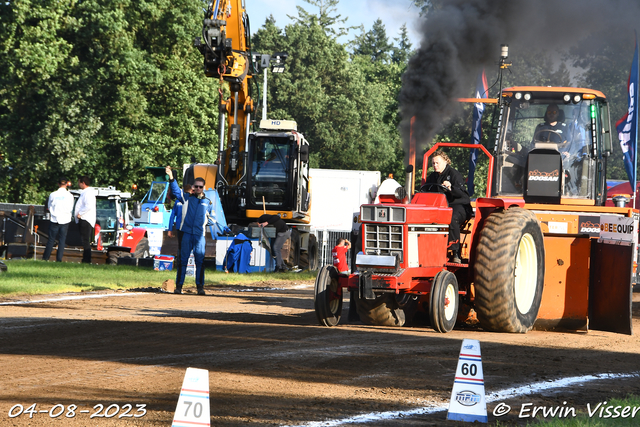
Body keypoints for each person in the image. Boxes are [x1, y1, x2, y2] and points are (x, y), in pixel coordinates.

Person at [166, 166, 214, 295]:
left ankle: (200, 287)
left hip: (199, 236)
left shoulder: (208, 202)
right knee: (183, 261)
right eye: (196, 186)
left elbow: (212, 218)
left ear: (203, 188)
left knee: (200, 262)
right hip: (186, 234)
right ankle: (179, 287)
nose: (198, 189)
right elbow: (176, 191)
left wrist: (205, 223)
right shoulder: (186, 198)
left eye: (200, 187)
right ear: (192, 187)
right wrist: (171, 177)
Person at [425, 150, 472, 264]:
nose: (435, 165)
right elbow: (426, 190)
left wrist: (451, 188)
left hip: (458, 205)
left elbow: (463, 195)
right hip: (440, 205)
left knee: (451, 217)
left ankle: (455, 252)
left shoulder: (454, 174)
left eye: (437, 163)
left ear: (445, 161)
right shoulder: (432, 177)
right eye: (433, 163)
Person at [42, 178, 74, 262]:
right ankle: (59, 259)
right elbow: (71, 207)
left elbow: (49, 206)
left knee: (51, 239)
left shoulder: (53, 194)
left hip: (54, 219)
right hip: (65, 219)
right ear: (67, 184)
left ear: (58, 184)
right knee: (62, 240)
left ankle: (46, 258)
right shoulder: (70, 195)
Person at [167, 184, 191, 286]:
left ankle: (179, 280)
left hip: (179, 229)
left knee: (181, 251)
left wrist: (170, 229)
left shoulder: (177, 202)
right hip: (187, 229)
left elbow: (172, 216)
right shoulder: (190, 201)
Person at [74, 175, 96, 264]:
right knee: (84, 241)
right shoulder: (85, 193)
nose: (78, 184)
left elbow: (88, 206)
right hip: (83, 219)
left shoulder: (88, 193)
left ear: (83, 183)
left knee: (85, 241)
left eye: (79, 182)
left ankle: (87, 260)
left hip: (85, 219)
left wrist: (80, 213)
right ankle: (85, 259)